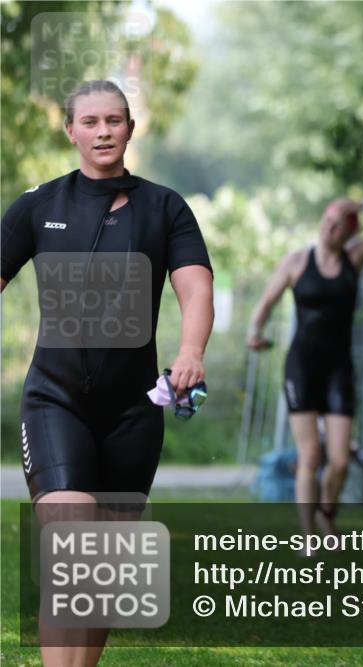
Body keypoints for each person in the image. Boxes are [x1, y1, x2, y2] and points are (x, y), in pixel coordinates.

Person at [0, 80, 214, 666]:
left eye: (114, 121)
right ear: (70, 130)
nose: (103, 132)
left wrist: (191, 350)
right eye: (90, 121)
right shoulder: (39, 205)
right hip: (55, 400)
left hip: (133, 409)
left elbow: (196, 288)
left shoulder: (164, 206)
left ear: (129, 128)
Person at [248, 196, 363, 544]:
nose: (329, 227)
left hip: (338, 369)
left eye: (338, 224)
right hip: (302, 368)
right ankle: (309, 538)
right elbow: (265, 304)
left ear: (349, 232)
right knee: (310, 454)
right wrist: (254, 332)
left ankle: (326, 513)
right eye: (327, 220)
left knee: (339, 460)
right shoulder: (296, 261)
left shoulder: (355, 257)